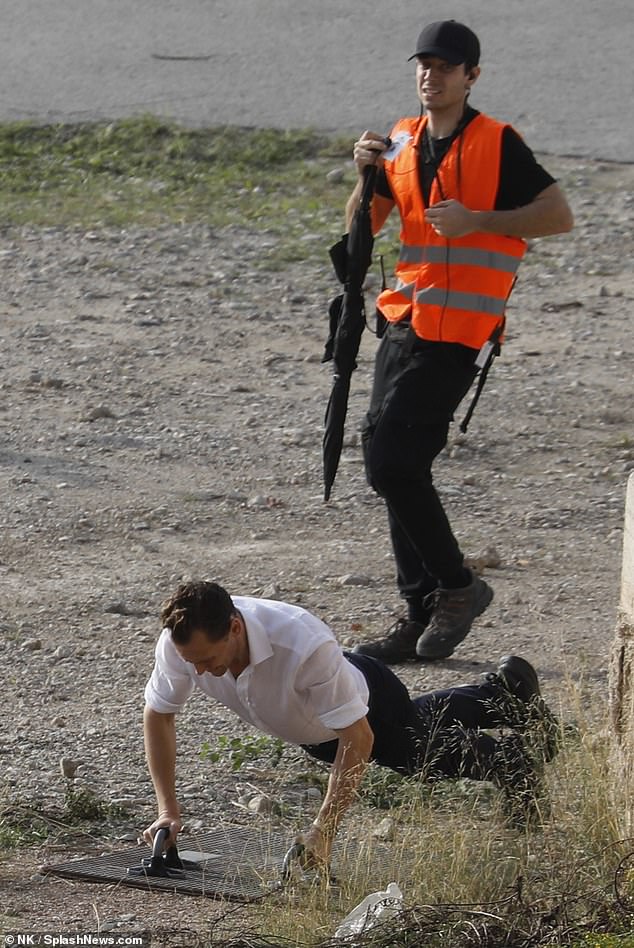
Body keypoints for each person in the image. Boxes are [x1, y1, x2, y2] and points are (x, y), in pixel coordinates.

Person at [346, 20, 574, 665]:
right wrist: (363, 176)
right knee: (391, 465)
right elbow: (362, 230)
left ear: (471, 76)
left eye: (446, 66)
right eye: (424, 64)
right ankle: (420, 609)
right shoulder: (401, 140)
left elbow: (558, 215)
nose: (432, 75)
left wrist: (480, 221)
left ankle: (457, 587)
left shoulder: (497, 143)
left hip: (461, 331)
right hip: (405, 319)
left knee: (393, 461)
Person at [142, 581, 560, 870]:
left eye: (206, 660)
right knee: (416, 724)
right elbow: (159, 714)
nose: (198, 670)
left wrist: (323, 831)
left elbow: (358, 737)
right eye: (190, 661)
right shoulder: (182, 643)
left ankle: (510, 761)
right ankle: (503, 696)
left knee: (415, 754)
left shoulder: (302, 643)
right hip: (314, 726)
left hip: (369, 699)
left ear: (234, 628)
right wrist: (167, 811)